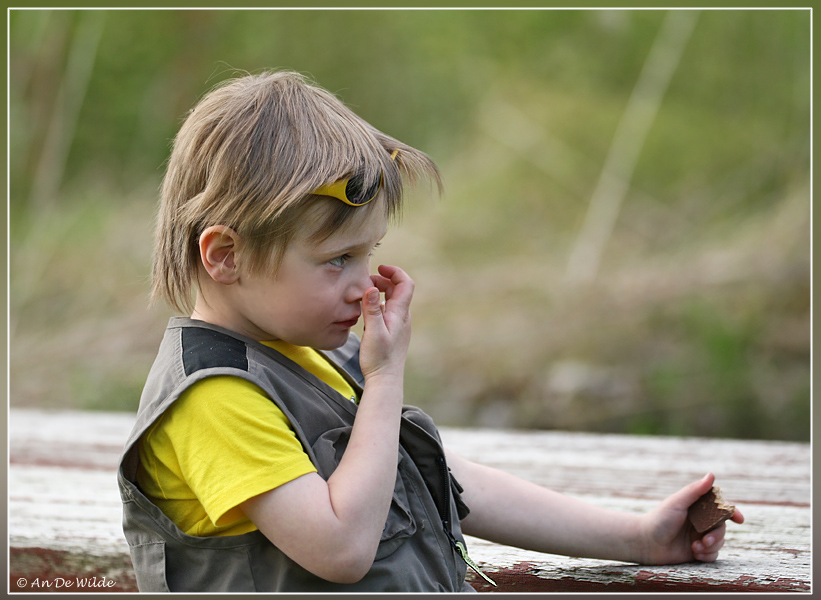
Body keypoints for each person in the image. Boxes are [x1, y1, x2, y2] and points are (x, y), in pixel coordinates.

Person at [117, 70, 744, 593]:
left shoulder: (299, 354)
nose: (363, 285)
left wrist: (636, 535)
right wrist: (385, 379)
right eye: (336, 259)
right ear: (225, 255)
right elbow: (340, 547)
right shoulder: (213, 398)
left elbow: (429, 475)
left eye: (369, 255)